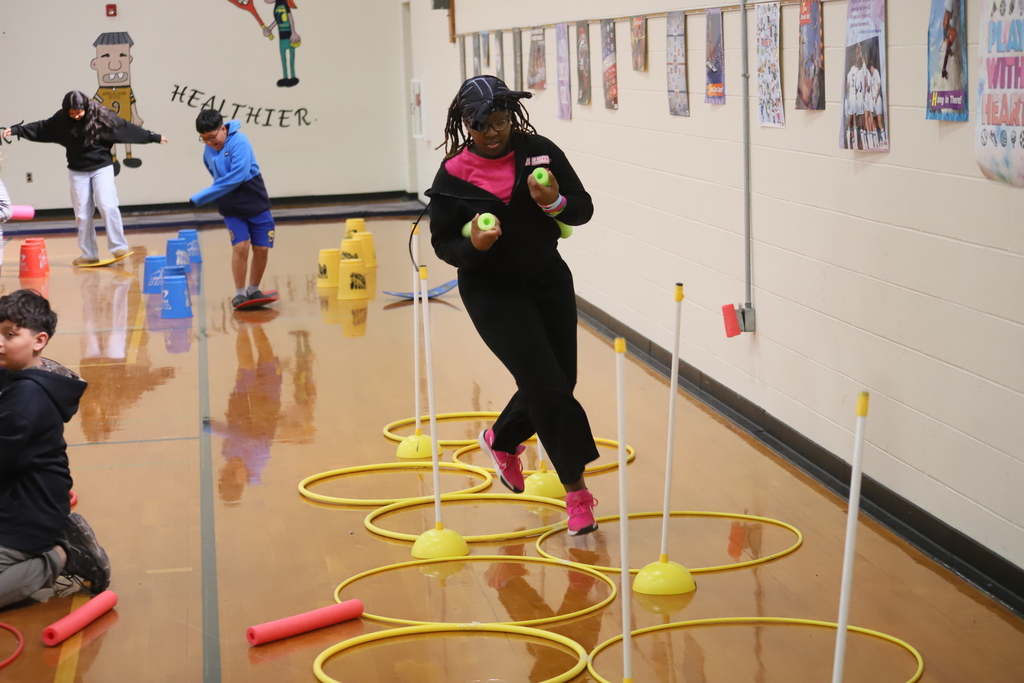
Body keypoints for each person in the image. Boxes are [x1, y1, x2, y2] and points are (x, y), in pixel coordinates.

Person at [426, 75, 600, 536]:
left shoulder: (539, 151)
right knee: (545, 384)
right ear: (467, 123)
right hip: (492, 290)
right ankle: (577, 493)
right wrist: (475, 244)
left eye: (503, 121)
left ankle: (501, 439)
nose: (496, 132)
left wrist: (554, 201)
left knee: (563, 378)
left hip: (547, 279)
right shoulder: (453, 175)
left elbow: (581, 209)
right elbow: (443, 243)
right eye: (485, 125)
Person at [0, 289, 111, 609]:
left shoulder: (26, 401)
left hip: (28, 513)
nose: (0, 341)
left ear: (39, 341)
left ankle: (62, 556)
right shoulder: (16, 371)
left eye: (10, 334)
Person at [2, 91, 169, 266]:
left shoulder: (102, 117)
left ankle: (118, 247)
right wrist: (16, 130)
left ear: (86, 107)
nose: (75, 116)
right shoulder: (61, 120)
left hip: (101, 168)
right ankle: (89, 254)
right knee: (82, 214)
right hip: (77, 170)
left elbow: (127, 128)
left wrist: (153, 137)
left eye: (79, 112)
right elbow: (42, 127)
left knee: (108, 205)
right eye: (71, 113)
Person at [189, 109, 276, 310]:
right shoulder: (208, 151)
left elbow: (239, 175)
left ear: (222, 128)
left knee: (261, 247)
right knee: (240, 246)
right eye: (204, 139)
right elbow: (215, 174)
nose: (210, 143)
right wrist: (217, 193)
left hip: (254, 198)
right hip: (230, 204)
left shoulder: (240, 142)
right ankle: (239, 293)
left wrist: (205, 195)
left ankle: (253, 289)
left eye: (212, 137)